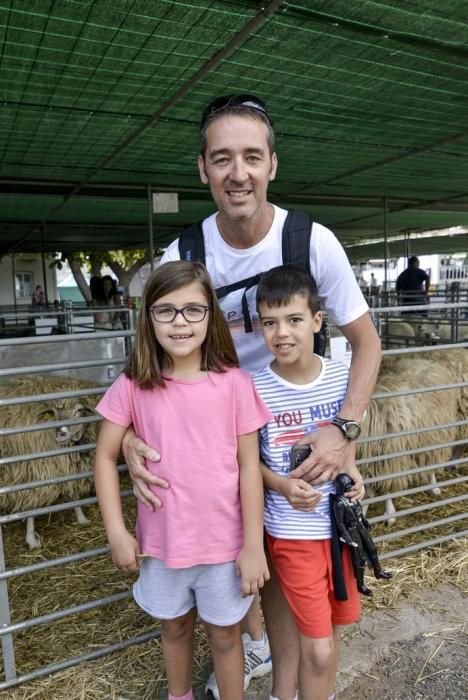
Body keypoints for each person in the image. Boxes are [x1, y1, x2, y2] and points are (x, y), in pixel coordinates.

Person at [121, 94, 382, 698]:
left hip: (302, 429)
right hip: (216, 440)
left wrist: (343, 429)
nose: (238, 173)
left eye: (251, 157)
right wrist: (134, 434)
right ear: (202, 169)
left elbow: (366, 344)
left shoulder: (312, 242)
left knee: (287, 554)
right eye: (222, 159)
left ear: (272, 165)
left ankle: (278, 669)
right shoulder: (183, 255)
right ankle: (258, 649)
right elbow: (148, 365)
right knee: (247, 557)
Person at [94, 261, 271, 700]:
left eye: (193, 310)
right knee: (173, 628)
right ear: (147, 317)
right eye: (166, 310)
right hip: (163, 543)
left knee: (226, 635)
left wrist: (253, 544)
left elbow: (250, 466)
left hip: (223, 545)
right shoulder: (134, 384)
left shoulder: (235, 384)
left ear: (210, 315)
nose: (179, 322)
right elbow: (104, 455)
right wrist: (116, 531)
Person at [253, 265, 363, 700]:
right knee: (316, 648)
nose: (282, 332)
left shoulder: (340, 378)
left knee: (333, 634)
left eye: (294, 319)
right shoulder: (255, 388)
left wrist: (354, 475)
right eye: (270, 322)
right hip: (292, 533)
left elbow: (350, 441)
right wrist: (280, 486)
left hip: (339, 532)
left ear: (317, 321)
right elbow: (245, 462)